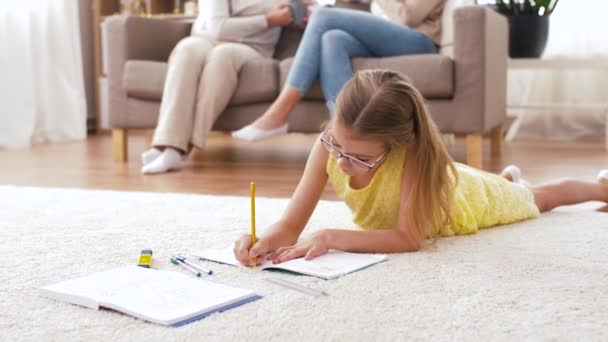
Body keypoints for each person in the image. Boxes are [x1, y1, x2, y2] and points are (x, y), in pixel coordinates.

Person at [233, 70, 608, 265]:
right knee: (505, 184)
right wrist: (262, 242)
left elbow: (408, 237)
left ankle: (600, 187)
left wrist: (331, 236)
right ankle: (506, 178)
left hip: (466, 201)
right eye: (336, 146)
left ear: (396, 145)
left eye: (361, 158)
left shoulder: (412, 157)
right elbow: (289, 226)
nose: (342, 163)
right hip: (450, 183)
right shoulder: (330, 145)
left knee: (541, 198)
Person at [232, 0, 446, 141]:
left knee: (324, 17)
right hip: (382, 39)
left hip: (420, 39)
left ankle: (280, 112)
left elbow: (405, 15)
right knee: (332, 39)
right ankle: (344, 129)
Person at [141, 0, 293, 174]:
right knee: (186, 50)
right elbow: (218, 28)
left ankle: (180, 149)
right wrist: (266, 20)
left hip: (250, 47)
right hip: (207, 37)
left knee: (221, 57)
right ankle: (166, 143)